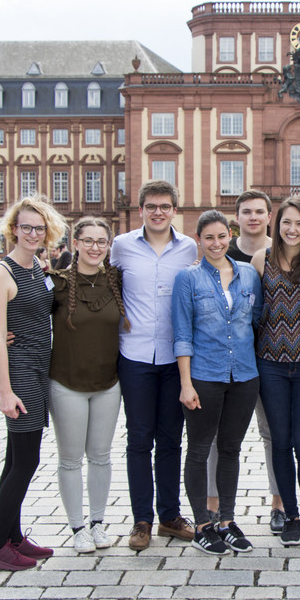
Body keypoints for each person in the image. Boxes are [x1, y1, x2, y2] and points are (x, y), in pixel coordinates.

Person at [0, 195, 67, 571]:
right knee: (26, 461)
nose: (32, 233)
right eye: (26, 227)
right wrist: (7, 391)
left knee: (14, 460)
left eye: (39, 228)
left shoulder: (36, 268)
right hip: (19, 375)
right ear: (13, 229)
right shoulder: (2, 273)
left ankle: (13, 537)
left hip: (38, 368)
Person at [111, 180, 198, 550]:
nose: (158, 212)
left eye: (164, 206)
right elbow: (99, 285)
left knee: (170, 440)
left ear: (175, 210)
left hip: (174, 359)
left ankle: (169, 516)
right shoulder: (122, 246)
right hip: (134, 356)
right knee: (138, 440)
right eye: (151, 206)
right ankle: (141, 520)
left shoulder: (189, 248)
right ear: (141, 208)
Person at [173, 210, 263, 555]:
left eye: (221, 236)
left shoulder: (247, 275)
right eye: (208, 237)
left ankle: (227, 520)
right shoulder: (189, 279)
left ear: (231, 235)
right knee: (198, 450)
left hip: (244, 376)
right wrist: (186, 383)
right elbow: (182, 334)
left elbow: (256, 322)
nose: (216, 243)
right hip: (204, 376)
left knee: (230, 449)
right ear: (199, 240)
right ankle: (202, 524)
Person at [250, 196, 300, 546]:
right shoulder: (260, 260)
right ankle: (291, 515)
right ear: (276, 224)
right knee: (280, 442)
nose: (292, 229)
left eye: (299, 223)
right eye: (286, 222)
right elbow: (249, 311)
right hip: (270, 365)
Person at [205, 190, 285, 534]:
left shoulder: (283, 249)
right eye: (246, 212)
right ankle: (212, 504)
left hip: (270, 360)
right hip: (224, 363)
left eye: (259, 212)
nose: (253, 217)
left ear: (270, 216)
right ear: (236, 218)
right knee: (215, 437)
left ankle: (279, 503)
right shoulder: (221, 250)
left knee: (273, 434)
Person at [49, 217, 129, 554]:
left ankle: (98, 523)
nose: (95, 247)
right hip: (67, 383)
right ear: (75, 243)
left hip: (108, 383)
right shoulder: (55, 283)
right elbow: (25, 315)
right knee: (70, 459)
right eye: (89, 240)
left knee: (100, 456)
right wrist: (9, 335)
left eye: (101, 241)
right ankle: (77, 527)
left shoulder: (117, 281)